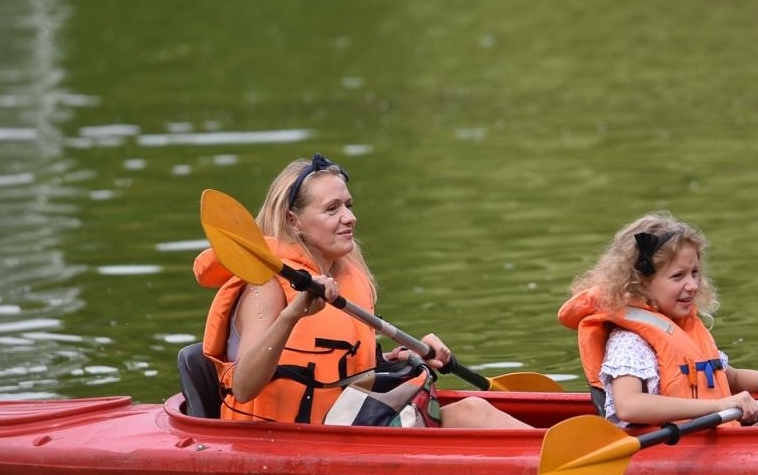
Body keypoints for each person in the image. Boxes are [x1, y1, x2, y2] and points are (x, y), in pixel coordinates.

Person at [194, 153, 527, 428]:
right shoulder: (264, 288)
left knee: (472, 409)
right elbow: (244, 387)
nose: (349, 217)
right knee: (471, 413)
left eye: (348, 205)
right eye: (332, 209)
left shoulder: (345, 276)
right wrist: (292, 314)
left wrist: (403, 357)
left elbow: (346, 367)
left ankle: (549, 454)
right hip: (281, 441)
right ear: (293, 221)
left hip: (346, 424)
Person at [558, 212, 758, 428]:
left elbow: (727, 376)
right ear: (640, 284)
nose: (692, 285)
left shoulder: (684, 328)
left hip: (721, 437)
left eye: (695, 273)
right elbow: (630, 406)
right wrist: (719, 406)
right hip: (683, 446)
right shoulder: (629, 341)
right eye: (678, 276)